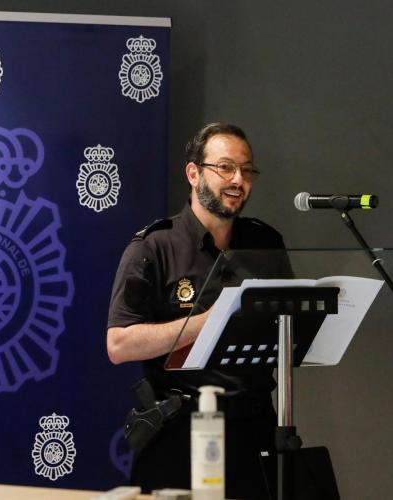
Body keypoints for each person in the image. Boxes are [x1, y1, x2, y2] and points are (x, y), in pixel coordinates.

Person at [106, 123, 286, 499]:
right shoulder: (154, 247)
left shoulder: (266, 242)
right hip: (180, 432)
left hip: (256, 429)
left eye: (247, 170)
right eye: (225, 167)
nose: (238, 180)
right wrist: (206, 322)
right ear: (193, 173)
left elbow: (287, 324)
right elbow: (119, 344)